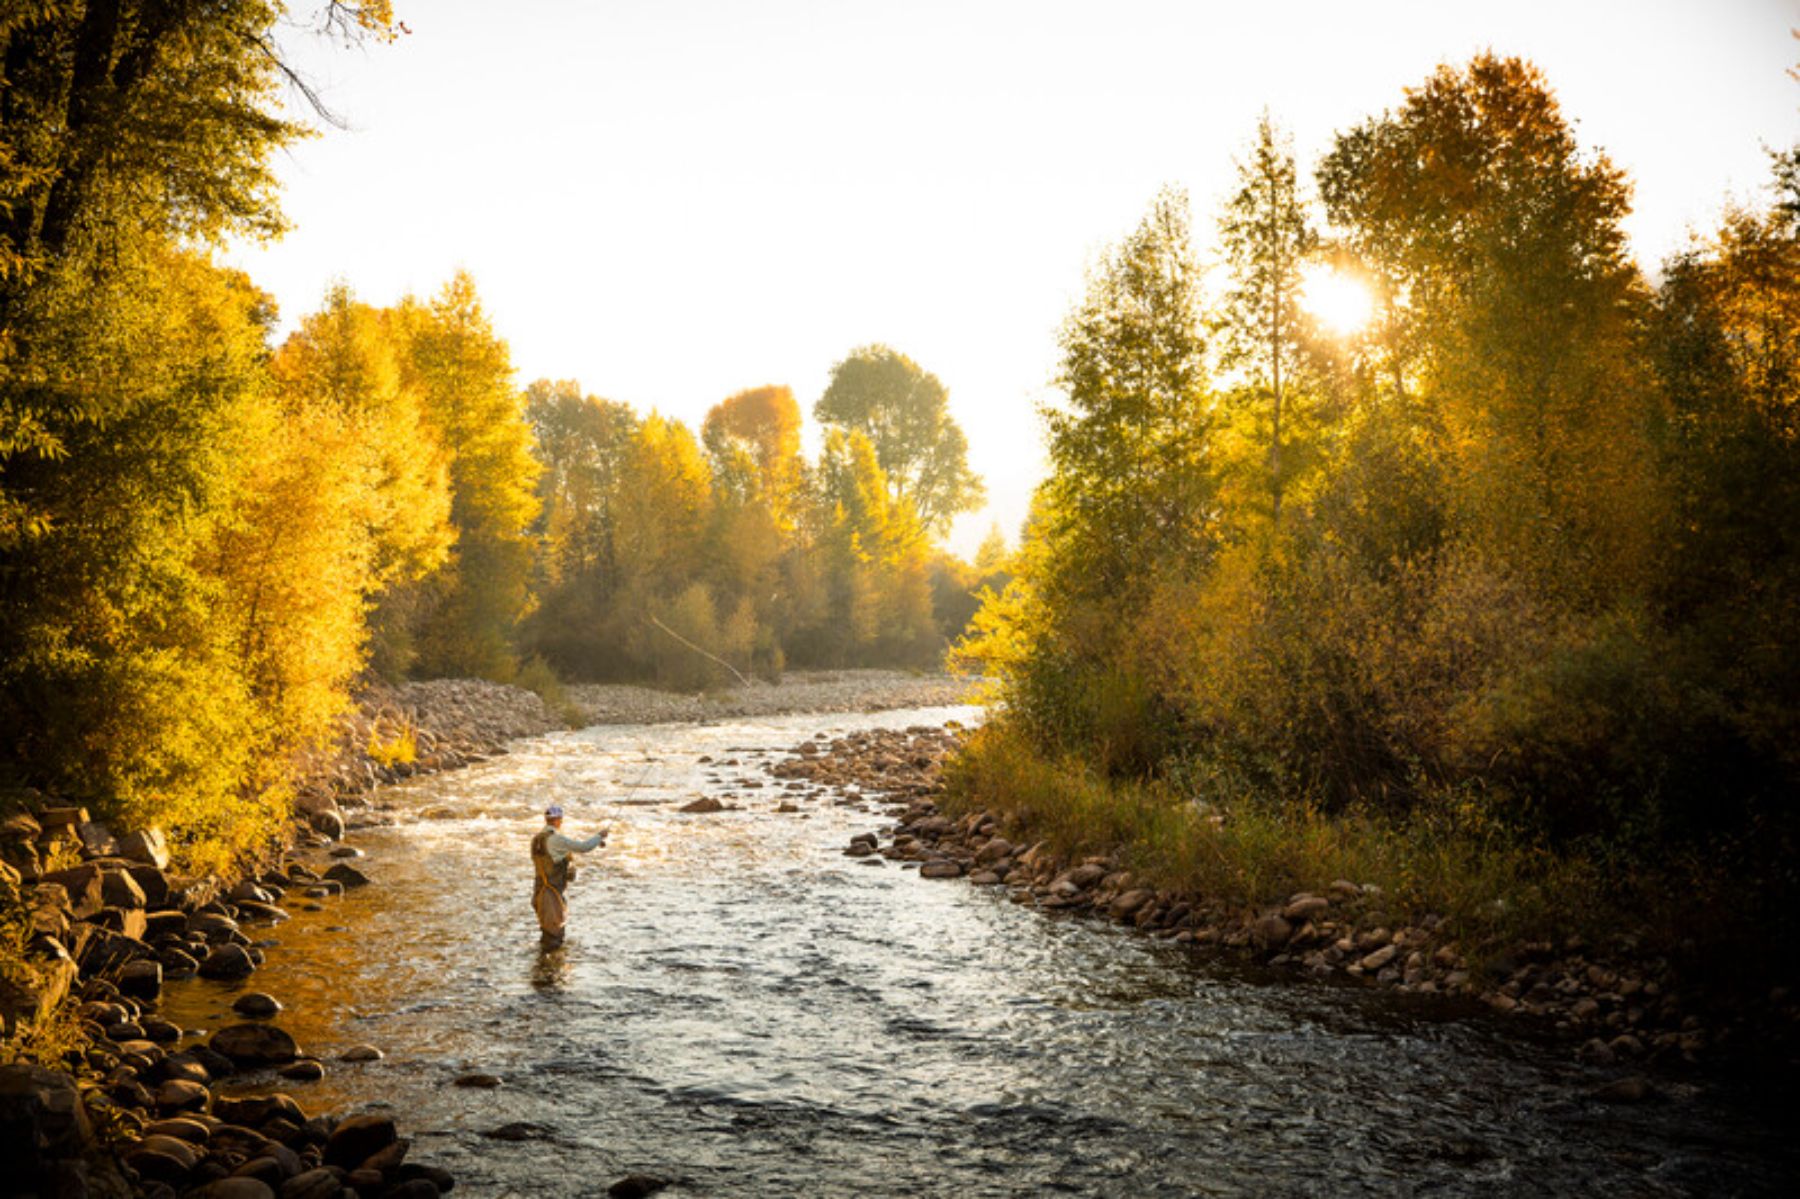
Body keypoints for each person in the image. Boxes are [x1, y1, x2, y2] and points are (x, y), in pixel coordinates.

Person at [530, 804, 607, 946]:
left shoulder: (536, 840)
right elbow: (584, 847)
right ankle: (551, 966)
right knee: (554, 937)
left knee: (546, 932)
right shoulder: (556, 839)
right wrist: (599, 836)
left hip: (539, 893)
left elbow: (553, 858)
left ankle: (543, 965)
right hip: (551, 895)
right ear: (558, 820)